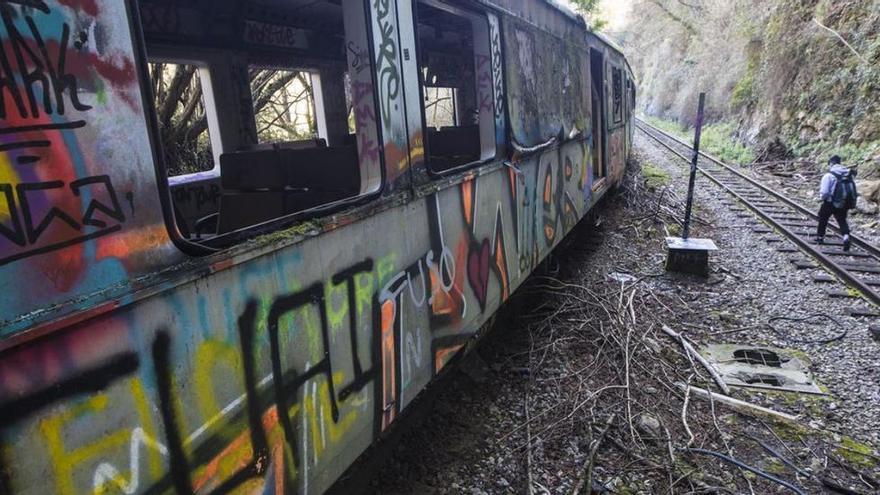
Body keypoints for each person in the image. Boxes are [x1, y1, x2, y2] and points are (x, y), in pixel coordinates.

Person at [816, 155, 858, 251]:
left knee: (823, 218)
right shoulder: (847, 174)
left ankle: (820, 237)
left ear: (831, 163)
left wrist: (822, 198)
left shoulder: (829, 175)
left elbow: (825, 192)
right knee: (842, 220)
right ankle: (846, 236)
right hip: (843, 202)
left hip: (830, 202)